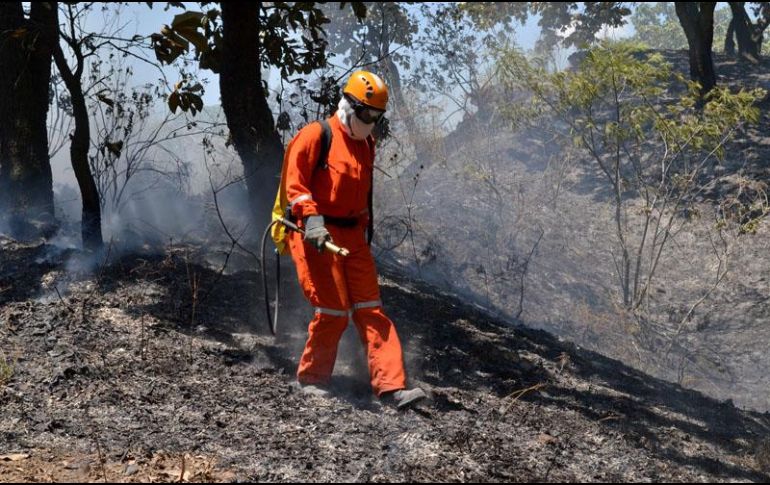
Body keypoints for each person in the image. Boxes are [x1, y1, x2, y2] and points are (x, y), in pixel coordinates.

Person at [283, 70, 426, 409]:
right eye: (367, 114)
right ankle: (312, 378)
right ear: (349, 105)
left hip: (353, 236)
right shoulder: (316, 136)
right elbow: (295, 187)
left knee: (370, 310)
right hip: (314, 231)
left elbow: (361, 193)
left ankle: (391, 387)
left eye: (377, 117)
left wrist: (363, 231)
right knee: (333, 309)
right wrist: (313, 222)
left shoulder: (367, 144)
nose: (371, 122)